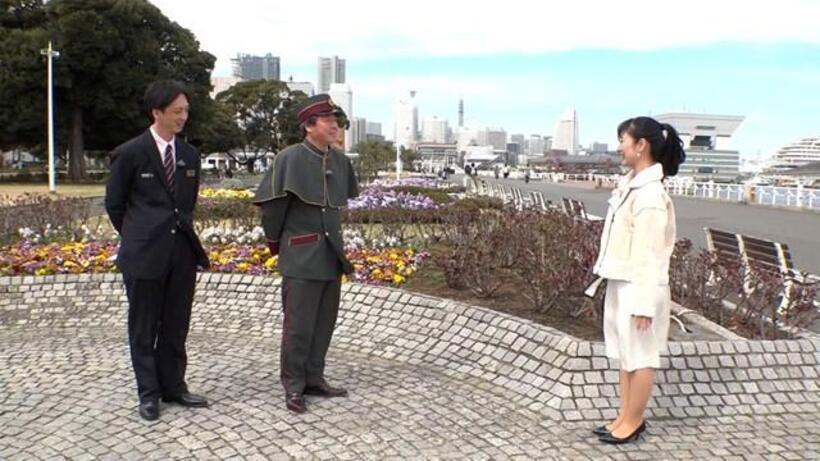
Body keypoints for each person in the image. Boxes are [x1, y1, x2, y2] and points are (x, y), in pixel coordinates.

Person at [105, 80, 211, 421]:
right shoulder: (130, 153)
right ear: (157, 112)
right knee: (144, 326)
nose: (183, 117)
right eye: (177, 111)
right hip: (143, 254)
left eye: (186, 111)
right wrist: (139, 236)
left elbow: (187, 204)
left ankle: (174, 386)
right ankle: (149, 394)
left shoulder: (190, 155)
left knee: (176, 324)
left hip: (181, 251)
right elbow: (115, 205)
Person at [252, 94, 359, 414]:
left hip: (331, 255)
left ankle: (314, 377)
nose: (335, 126)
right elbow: (273, 210)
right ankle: (294, 385)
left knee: (324, 322)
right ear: (309, 126)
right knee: (298, 326)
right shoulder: (289, 158)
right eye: (328, 120)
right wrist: (276, 244)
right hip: (300, 255)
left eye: (336, 120)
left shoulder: (340, 161)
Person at [587, 116, 685, 444]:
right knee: (627, 355)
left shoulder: (650, 195)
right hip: (623, 280)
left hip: (640, 286)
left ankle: (634, 421)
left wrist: (644, 304)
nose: (620, 148)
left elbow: (650, 253)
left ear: (640, 145)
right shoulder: (633, 185)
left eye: (623, 141)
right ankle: (624, 415)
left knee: (641, 357)